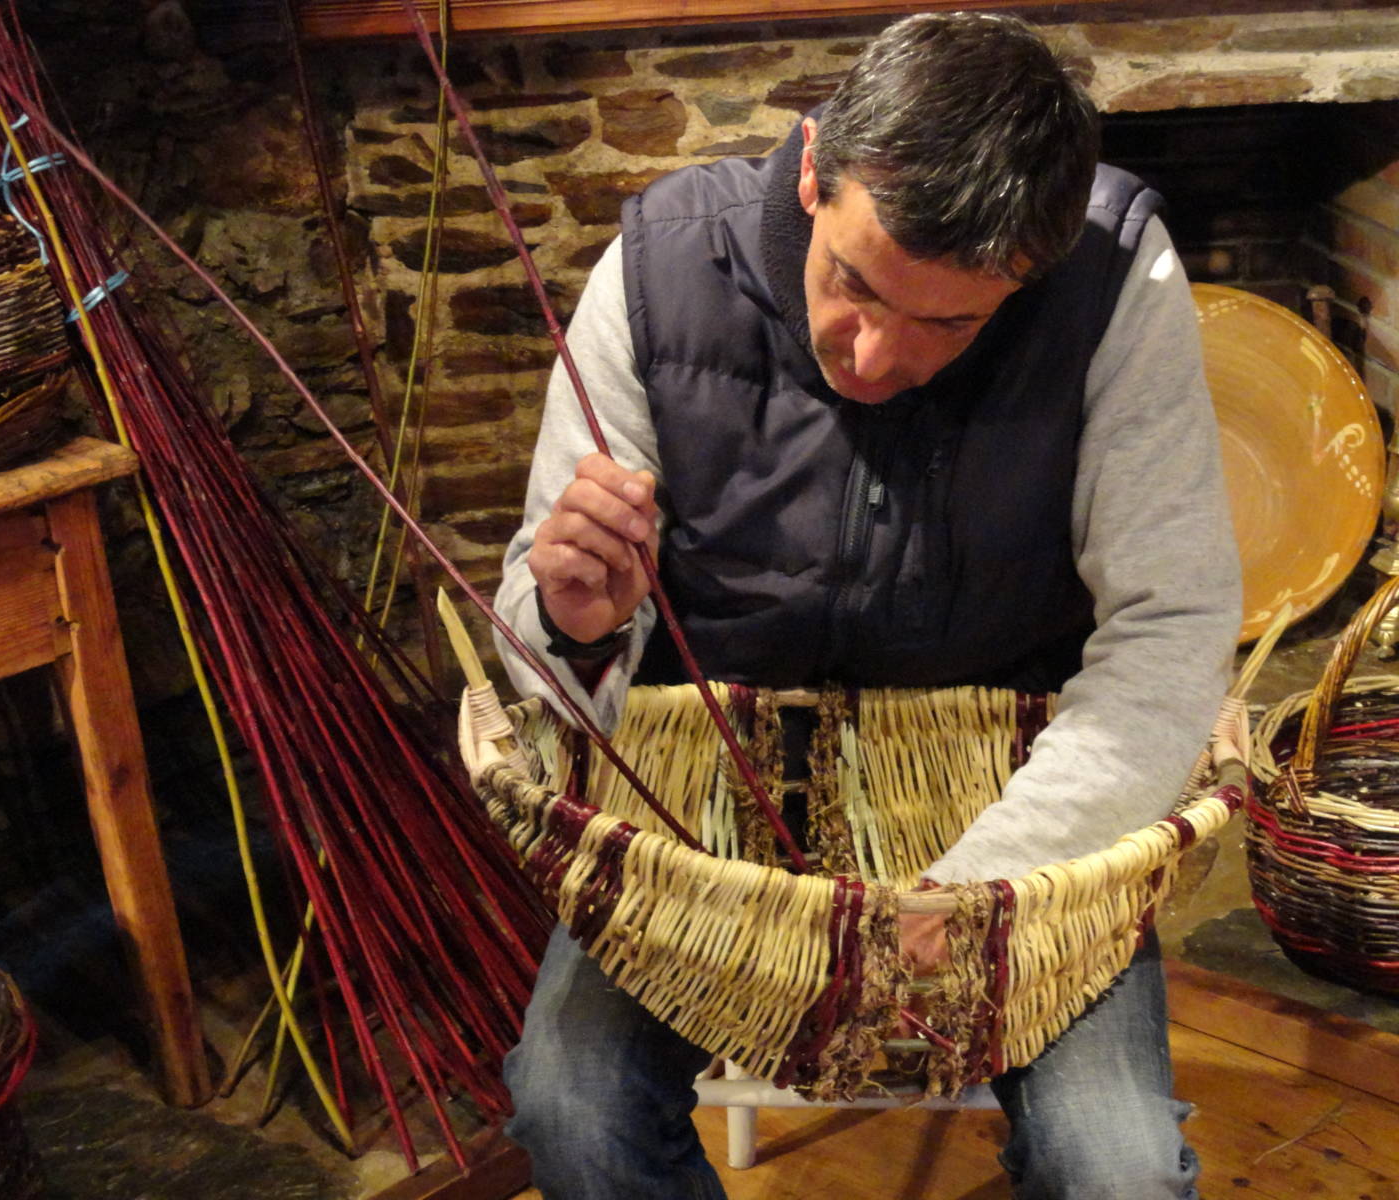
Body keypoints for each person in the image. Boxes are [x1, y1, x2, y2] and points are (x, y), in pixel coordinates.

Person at [492, 12, 1240, 1198]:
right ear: (810, 166)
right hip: (716, 807)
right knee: (567, 1100)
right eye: (852, 282)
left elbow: (1172, 625)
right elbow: (544, 660)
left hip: (1019, 795)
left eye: (950, 321)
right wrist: (575, 624)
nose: (876, 357)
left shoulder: (1111, 274)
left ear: (1029, 274)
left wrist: (980, 885)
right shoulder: (656, 271)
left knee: (1121, 1168)